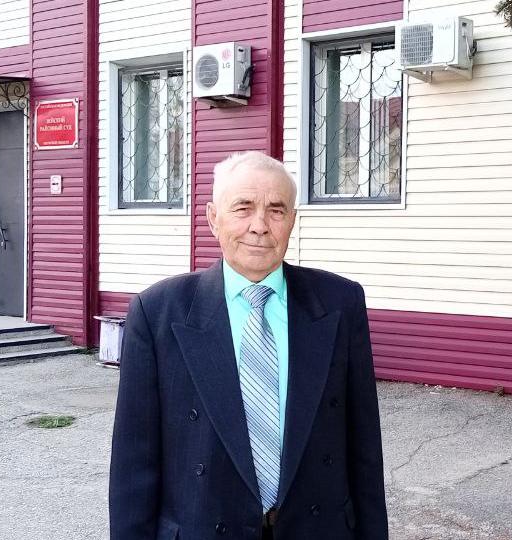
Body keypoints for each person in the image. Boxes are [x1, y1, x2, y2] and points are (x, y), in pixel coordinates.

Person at [109, 151, 387, 540]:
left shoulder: (340, 303)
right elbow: (133, 464)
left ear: (292, 221)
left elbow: (364, 451)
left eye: (276, 210)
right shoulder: (157, 313)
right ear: (213, 218)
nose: (259, 226)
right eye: (243, 208)